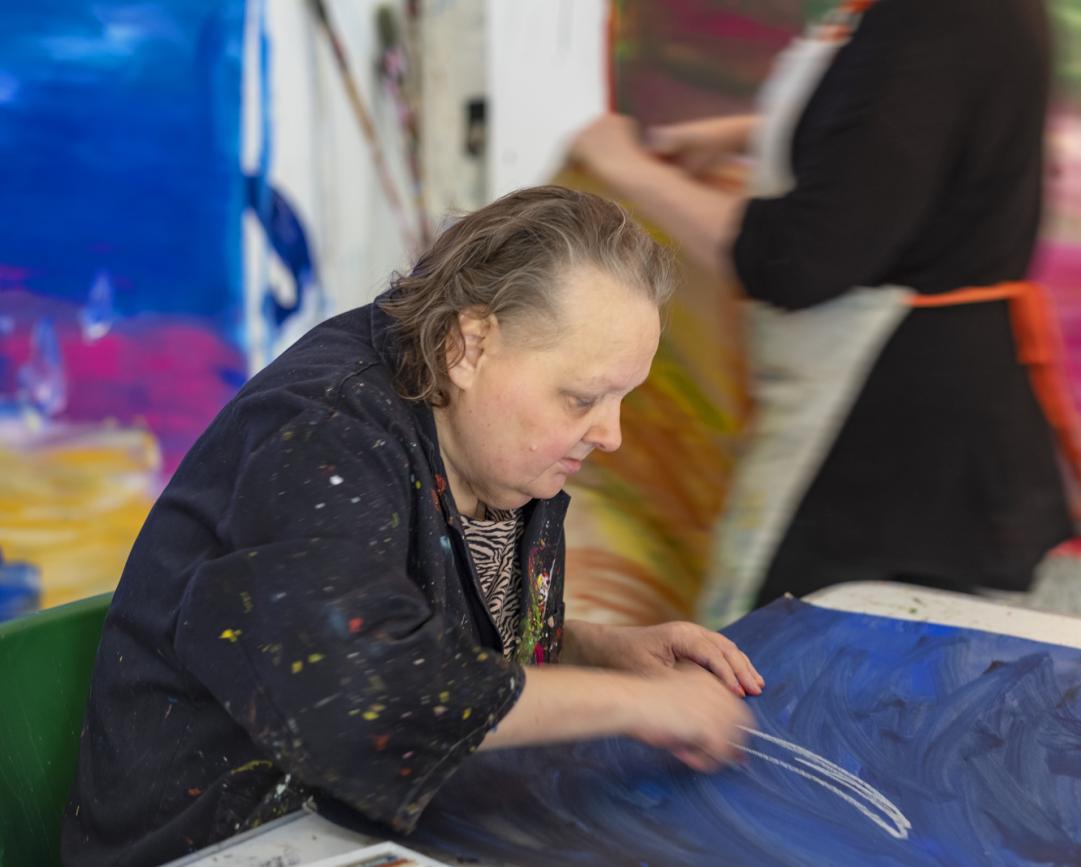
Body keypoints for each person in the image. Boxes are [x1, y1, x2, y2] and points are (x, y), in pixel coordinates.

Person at [62, 186, 763, 866]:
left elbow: (426, 633)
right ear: (470, 344)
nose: (609, 433)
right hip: (222, 838)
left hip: (376, 822)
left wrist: (593, 649)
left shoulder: (503, 442)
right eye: (583, 397)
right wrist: (637, 704)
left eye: (621, 398)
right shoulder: (321, 435)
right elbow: (366, 690)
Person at [570, 0, 1076, 625]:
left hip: (891, 441)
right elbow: (897, 128)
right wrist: (746, 133)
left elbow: (798, 260)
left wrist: (628, 170)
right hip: (913, 416)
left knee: (789, 682)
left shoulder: (941, 17)